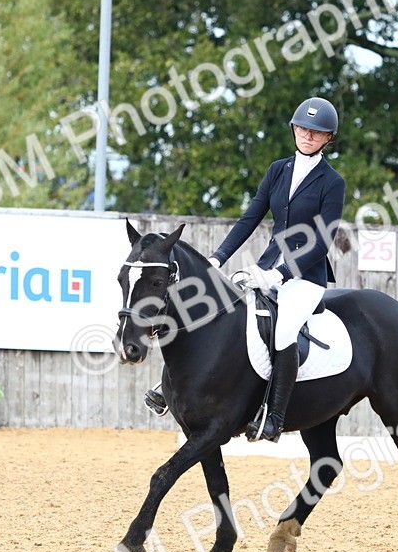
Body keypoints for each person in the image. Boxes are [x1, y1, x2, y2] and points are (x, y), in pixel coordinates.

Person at [144, 96, 346, 442]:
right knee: (223, 313)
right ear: (294, 129)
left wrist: (280, 275)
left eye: (316, 132)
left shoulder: (332, 182)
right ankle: (170, 384)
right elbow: (250, 218)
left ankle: (275, 417)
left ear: (328, 138)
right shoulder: (277, 170)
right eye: (302, 128)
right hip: (267, 264)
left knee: (283, 332)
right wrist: (217, 258)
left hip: (305, 277)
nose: (307, 136)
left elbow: (321, 242)